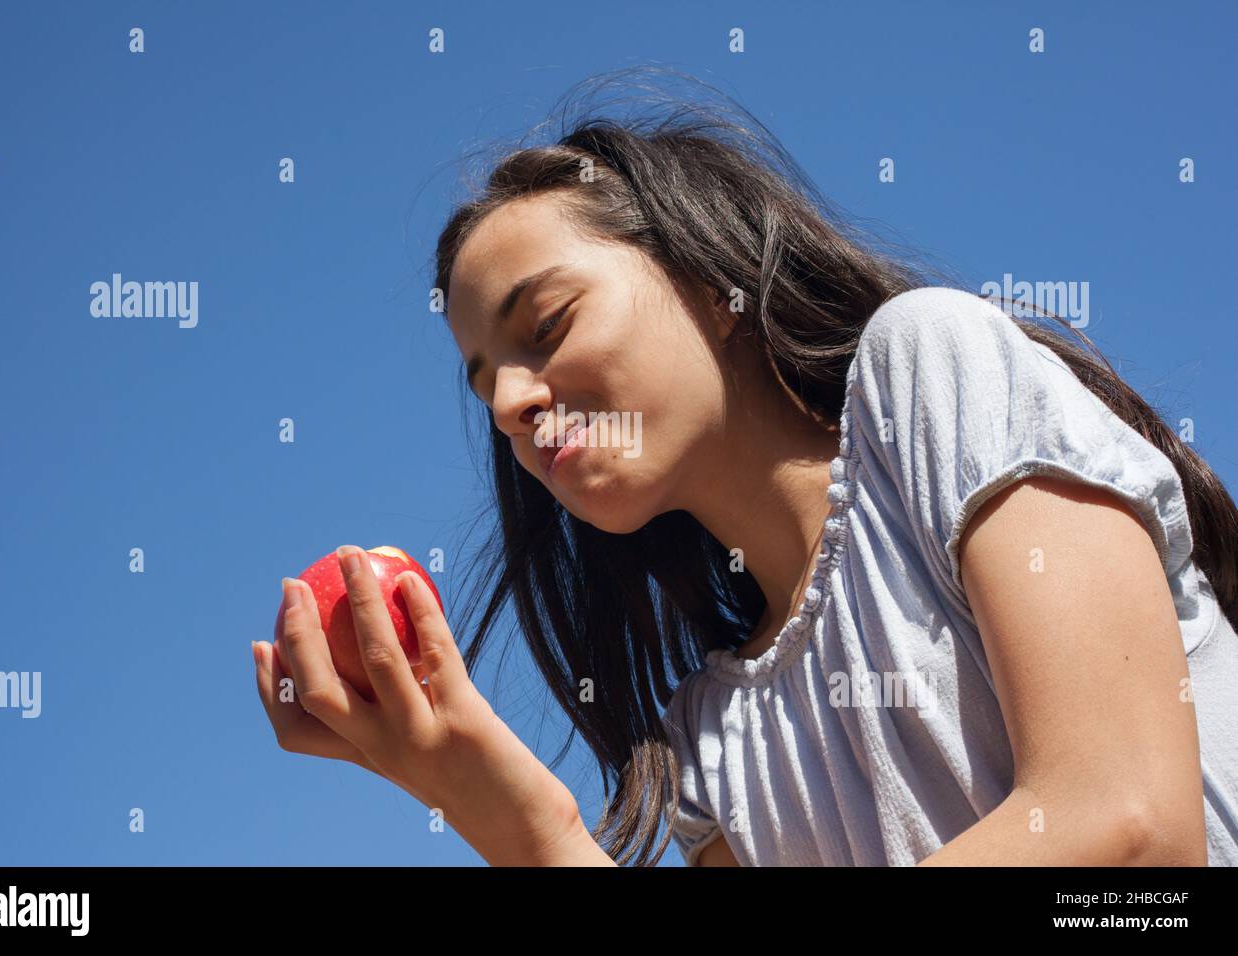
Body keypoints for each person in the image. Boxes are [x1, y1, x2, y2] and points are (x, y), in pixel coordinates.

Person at [254, 72, 1238, 866]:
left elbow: (1131, 832)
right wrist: (507, 811)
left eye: (545, 325)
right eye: (487, 390)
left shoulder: (927, 370)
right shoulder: (710, 740)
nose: (512, 402)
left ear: (710, 278)